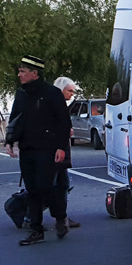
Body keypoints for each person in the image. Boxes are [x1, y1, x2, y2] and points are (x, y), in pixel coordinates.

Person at [4, 56, 71, 245]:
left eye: (22, 72)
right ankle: (36, 230)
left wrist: (61, 147)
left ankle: (60, 217)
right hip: (27, 149)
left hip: (48, 149)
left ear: (35, 73)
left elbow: (64, 123)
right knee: (32, 190)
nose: (19, 75)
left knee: (46, 187)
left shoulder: (52, 93)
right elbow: (15, 118)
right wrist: (9, 141)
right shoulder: (22, 94)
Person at [53, 77, 81, 229]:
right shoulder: (54, 106)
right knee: (57, 185)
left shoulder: (60, 105)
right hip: (56, 152)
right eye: (69, 91)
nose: (72, 94)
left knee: (61, 185)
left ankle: (62, 217)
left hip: (61, 151)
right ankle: (60, 218)